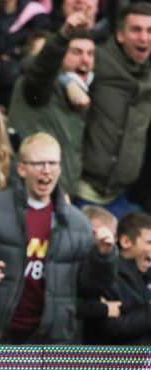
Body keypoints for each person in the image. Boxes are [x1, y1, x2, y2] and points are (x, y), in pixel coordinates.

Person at [0, 133, 117, 344]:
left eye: (53, 163)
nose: (47, 170)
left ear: (60, 168)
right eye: (39, 163)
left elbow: (89, 287)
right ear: (22, 169)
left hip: (51, 338)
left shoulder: (78, 223)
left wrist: (104, 255)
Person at [8, 11, 96, 197]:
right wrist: (64, 34)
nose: (85, 59)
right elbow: (42, 68)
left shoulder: (83, 88)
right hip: (29, 192)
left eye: (90, 53)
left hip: (64, 194)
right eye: (76, 52)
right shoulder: (38, 86)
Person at [77, 2, 151, 217]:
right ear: (120, 35)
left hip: (122, 196)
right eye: (136, 29)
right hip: (82, 191)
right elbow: (39, 70)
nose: (144, 38)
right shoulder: (96, 60)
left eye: (149, 31)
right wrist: (70, 82)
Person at [84, 212, 151, 345]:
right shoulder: (107, 277)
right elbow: (110, 328)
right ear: (126, 242)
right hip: (114, 363)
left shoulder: (146, 275)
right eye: (149, 242)